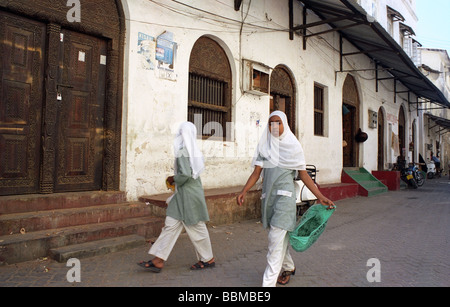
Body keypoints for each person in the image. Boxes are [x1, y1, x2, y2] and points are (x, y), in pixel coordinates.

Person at [237, 111, 335, 287]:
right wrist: (244, 191)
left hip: (285, 200)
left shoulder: (293, 146)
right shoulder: (264, 146)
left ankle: (267, 285)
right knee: (279, 238)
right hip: (268, 199)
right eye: (271, 123)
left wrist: (320, 196)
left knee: (274, 243)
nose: (274, 126)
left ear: (285, 124)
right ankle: (289, 267)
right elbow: (256, 173)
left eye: (278, 122)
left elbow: (304, 175)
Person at [138, 122, 215, 272]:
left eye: (181, 133)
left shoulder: (182, 151)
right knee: (171, 225)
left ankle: (208, 259)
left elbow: (185, 175)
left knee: (196, 227)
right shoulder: (192, 150)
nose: (179, 136)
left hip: (189, 197)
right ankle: (158, 259)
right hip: (183, 196)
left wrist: (174, 179)